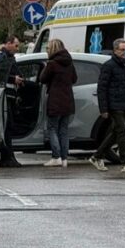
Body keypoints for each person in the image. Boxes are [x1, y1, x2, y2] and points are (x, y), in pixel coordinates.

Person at [89, 39, 125, 173]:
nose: (124, 53)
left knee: (115, 133)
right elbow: (102, 88)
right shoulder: (109, 66)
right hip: (113, 104)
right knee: (122, 130)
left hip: (124, 103)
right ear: (115, 50)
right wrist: (103, 109)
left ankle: (97, 156)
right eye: (122, 50)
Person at [40, 39, 77, 168]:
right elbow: (74, 79)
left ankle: (56, 157)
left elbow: (42, 79)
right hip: (68, 100)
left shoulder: (52, 64)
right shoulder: (69, 63)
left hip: (55, 100)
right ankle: (65, 158)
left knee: (52, 128)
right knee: (64, 131)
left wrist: (46, 68)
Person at [0, 35, 25, 168]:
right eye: (16, 45)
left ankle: (8, 157)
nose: (17, 48)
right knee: (6, 128)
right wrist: (13, 79)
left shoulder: (8, 57)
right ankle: (7, 158)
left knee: (9, 127)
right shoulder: (0, 56)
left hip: (10, 95)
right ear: (8, 43)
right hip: (4, 96)